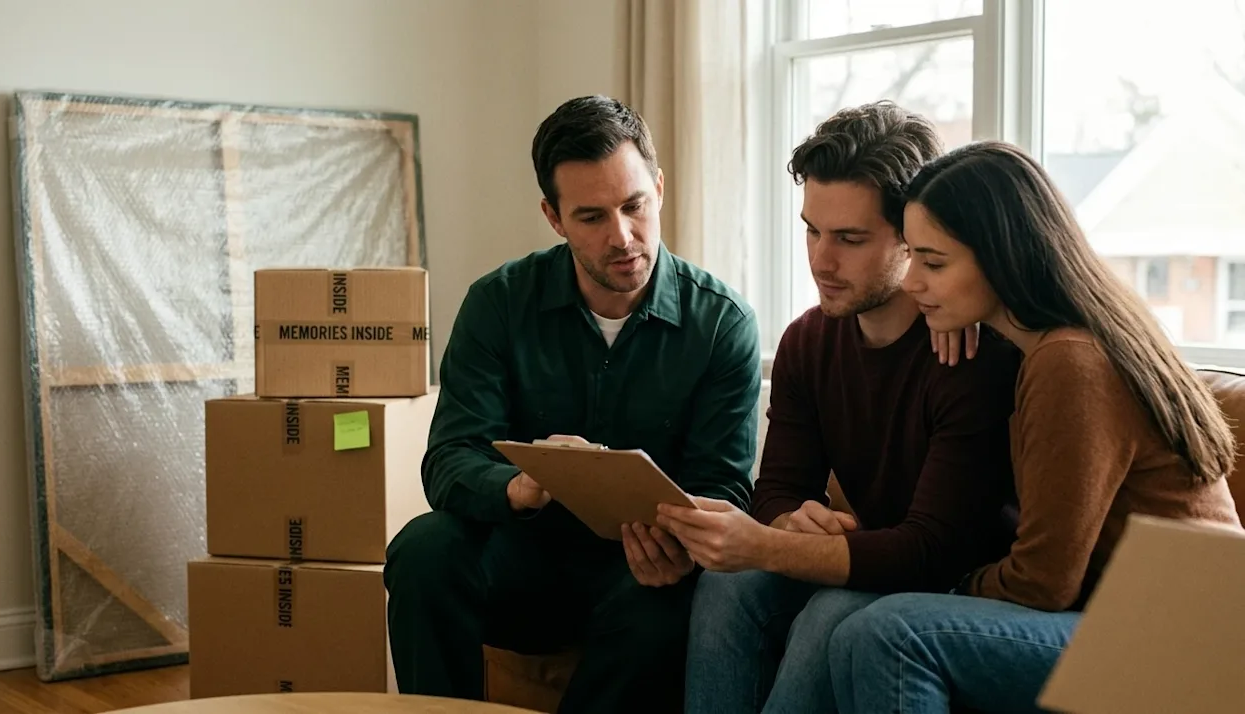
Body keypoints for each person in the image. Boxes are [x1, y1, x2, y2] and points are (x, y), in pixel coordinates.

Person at [826, 139, 1244, 713]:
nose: (910, 281)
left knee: (889, 632)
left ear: (1003, 258)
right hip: (1138, 617)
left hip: (1183, 638)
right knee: (854, 624)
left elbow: (1043, 582)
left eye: (934, 263)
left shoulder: (1070, 361)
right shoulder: (1055, 342)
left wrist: (944, 581)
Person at [382, 95, 762, 713]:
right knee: (424, 550)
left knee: (666, 606)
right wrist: (521, 486)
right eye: (591, 217)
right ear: (553, 217)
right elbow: (449, 459)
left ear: (659, 189)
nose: (623, 236)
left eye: (634, 205)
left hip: (641, 577)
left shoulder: (722, 323)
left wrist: (680, 549)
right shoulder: (498, 303)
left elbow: (724, 486)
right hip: (521, 561)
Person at [659, 101, 1024, 714]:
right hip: (875, 554)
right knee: (727, 585)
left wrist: (771, 546)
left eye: (850, 239)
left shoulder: (970, 349)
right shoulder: (807, 341)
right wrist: (789, 524)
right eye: (812, 230)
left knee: (832, 611)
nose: (821, 261)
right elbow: (777, 489)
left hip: (955, 580)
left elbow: (933, 549)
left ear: (914, 235)